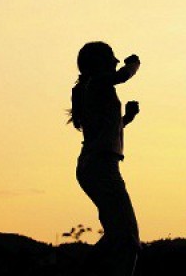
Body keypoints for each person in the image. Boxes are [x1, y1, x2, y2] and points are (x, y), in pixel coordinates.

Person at [69, 41, 141, 276]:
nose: (116, 61)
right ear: (99, 63)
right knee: (128, 237)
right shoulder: (98, 83)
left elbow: (105, 129)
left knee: (118, 235)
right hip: (101, 167)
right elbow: (123, 75)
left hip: (95, 165)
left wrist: (127, 118)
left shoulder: (91, 89)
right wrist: (134, 64)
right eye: (111, 57)